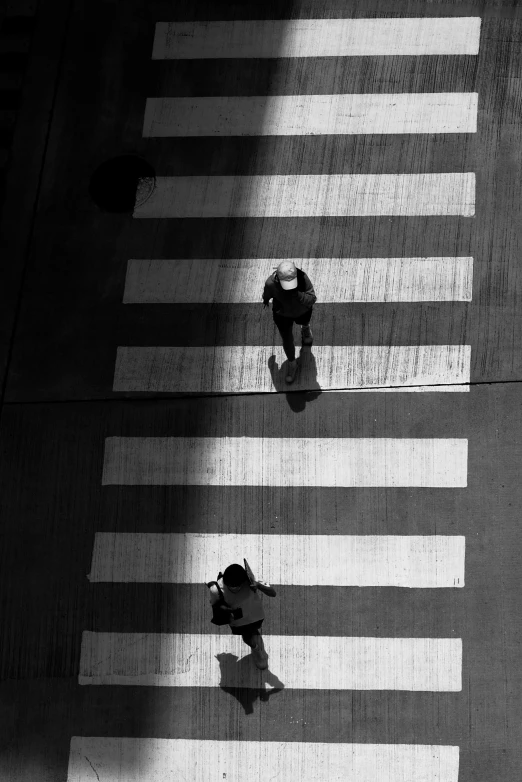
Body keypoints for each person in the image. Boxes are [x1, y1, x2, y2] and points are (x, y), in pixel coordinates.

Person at [208, 563, 276, 670]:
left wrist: (258, 585)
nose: (235, 589)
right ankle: (257, 650)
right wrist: (227, 610)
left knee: (254, 632)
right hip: (239, 621)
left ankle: (257, 646)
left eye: (238, 586)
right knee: (248, 638)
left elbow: (273, 593)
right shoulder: (215, 589)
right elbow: (215, 605)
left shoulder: (250, 582)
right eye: (231, 587)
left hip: (255, 614)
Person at [263, 260, 317, 383]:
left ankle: (305, 328)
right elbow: (267, 294)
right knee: (287, 340)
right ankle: (292, 364)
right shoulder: (271, 283)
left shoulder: (302, 277)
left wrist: (297, 295)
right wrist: (266, 300)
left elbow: (312, 298)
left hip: (302, 311)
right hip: (282, 315)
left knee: (304, 321)